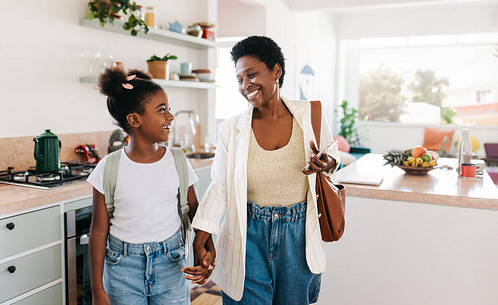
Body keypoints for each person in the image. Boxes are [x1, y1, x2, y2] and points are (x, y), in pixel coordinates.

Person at [191, 36, 340, 305]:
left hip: (299, 236)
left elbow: (332, 157)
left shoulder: (310, 115)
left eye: (252, 74)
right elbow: (220, 185)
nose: (246, 85)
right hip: (247, 234)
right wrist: (201, 234)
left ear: (276, 71)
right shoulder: (231, 129)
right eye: (239, 79)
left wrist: (327, 163)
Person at [87, 67, 215, 305]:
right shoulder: (108, 168)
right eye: (161, 110)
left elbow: (195, 211)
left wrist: (206, 247)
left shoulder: (178, 161)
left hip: (171, 264)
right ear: (134, 120)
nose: (170, 116)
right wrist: (98, 290)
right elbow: (97, 232)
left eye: (168, 109)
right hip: (121, 269)